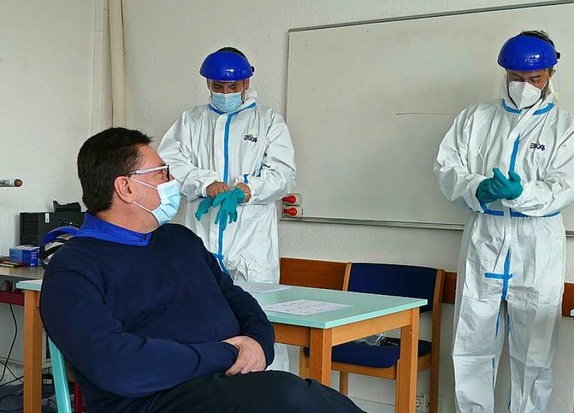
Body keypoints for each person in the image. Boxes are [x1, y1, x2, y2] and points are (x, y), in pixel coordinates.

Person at [39, 127, 362, 413]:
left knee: (297, 396)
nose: (173, 182)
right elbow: (116, 366)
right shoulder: (74, 270)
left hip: (229, 384)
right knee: (290, 397)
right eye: (162, 174)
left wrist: (256, 343)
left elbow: (236, 297)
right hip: (154, 400)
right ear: (126, 188)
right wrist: (226, 353)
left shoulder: (179, 240)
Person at [434, 31, 574, 412]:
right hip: (484, 237)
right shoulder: (475, 118)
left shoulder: (566, 127)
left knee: (534, 357)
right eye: (516, 78)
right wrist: (477, 188)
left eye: (533, 79)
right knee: (471, 346)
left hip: (536, 244)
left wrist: (523, 195)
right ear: (505, 74)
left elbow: (566, 185)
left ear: (551, 73)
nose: (524, 86)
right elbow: (446, 167)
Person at [158, 47, 295, 370]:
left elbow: (283, 174)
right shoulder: (190, 122)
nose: (225, 93)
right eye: (217, 87)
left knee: (260, 325)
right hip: (201, 236)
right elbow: (169, 164)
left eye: (232, 87)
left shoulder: (268, 121)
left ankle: (269, 396)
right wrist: (204, 183)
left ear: (247, 82)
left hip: (251, 241)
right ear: (208, 83)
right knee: (199, 324)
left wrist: (248, 189)